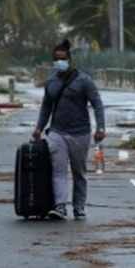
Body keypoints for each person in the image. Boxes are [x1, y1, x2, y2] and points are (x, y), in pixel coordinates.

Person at [33, 39, 105, 220]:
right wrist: (39, 128)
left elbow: (97, 104)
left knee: (79, 172)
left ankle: (79, 207)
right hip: (57, 132)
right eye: (56, 59)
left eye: (63, 58)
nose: (60, 62)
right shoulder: (50, 82)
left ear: (70, 59)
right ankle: (60, 206)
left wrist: (100, 128)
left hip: (80, 133)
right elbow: (46, 107)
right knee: (58, 169)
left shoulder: (84, 80)